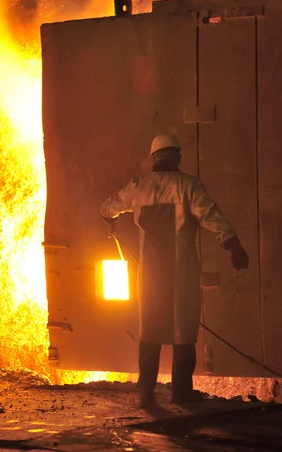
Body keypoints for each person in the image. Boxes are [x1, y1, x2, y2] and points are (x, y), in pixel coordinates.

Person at [100, 133, 249, 409]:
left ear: (153, 158)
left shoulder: (138, 187)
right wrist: (232, 244)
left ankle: (146, 394)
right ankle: (181, 393)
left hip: (150, 276)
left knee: (150, 330)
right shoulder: (189, 186)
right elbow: (210, 215)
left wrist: (108, 216)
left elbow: (108, 207)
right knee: (184, 331)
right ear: (178, 157)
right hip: (182, 274)